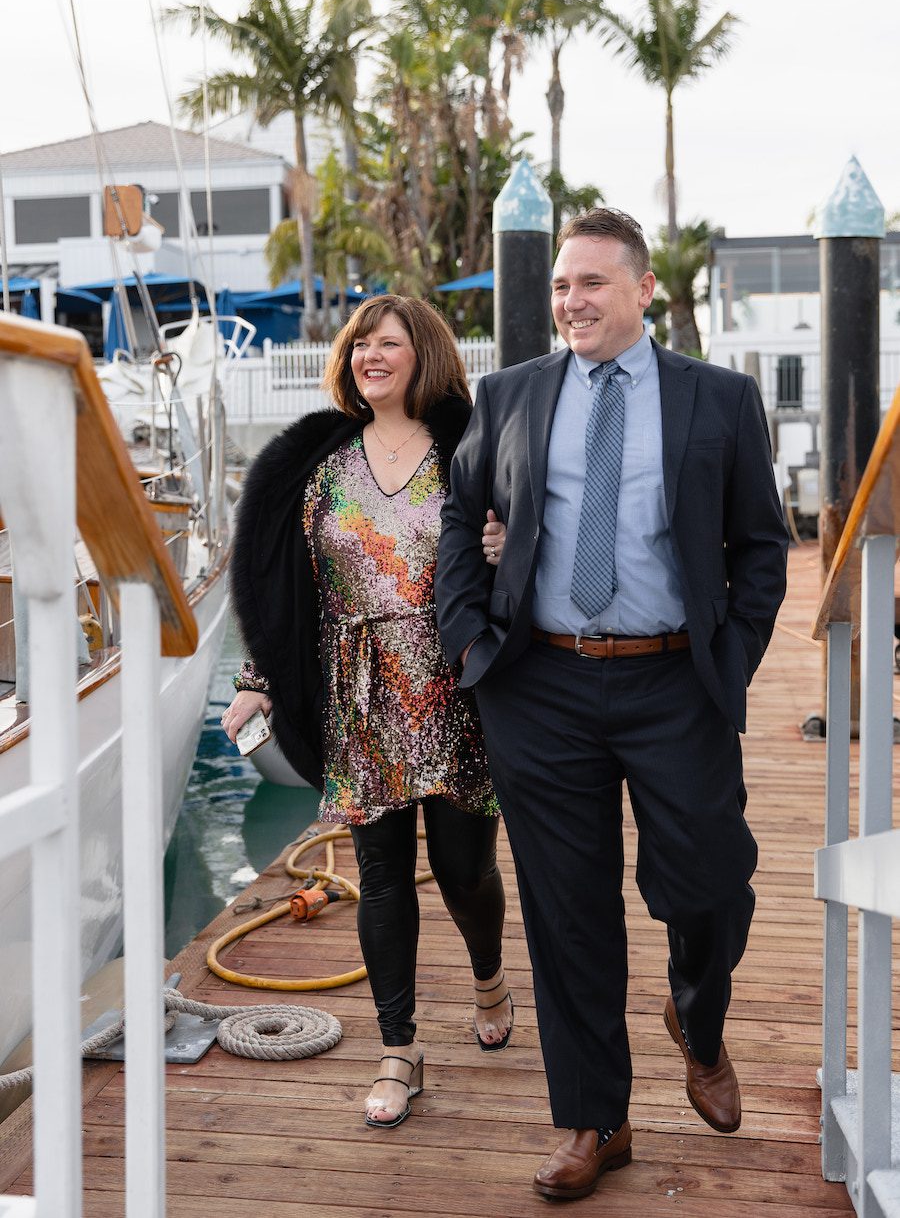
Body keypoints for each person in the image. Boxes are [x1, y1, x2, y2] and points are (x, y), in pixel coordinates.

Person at [435, 208, 789, 1200]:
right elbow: (462, 521)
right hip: (538, 683)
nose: (571, 301)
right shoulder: (509, 393)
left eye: (591, 283)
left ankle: (699, 1015)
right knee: (568, 912)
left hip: (675, 678)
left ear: (642, 291)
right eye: (559, 285)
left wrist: (737, 654)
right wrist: (471, 637)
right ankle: (599, 1118)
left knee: (712, 880)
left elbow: (762, 546)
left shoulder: (719, 398)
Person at [223, 294, 513, 1131]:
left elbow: (527, 544)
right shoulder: (317, 460)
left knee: (464, 870)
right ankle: (399, 1049)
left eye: (388, 344)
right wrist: (259, 676)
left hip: (454, 687)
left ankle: (489, 973)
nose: (370, 357)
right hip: (357, 694)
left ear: (425, 353)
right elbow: (280, 585)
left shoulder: (472, 449)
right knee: (382, 874)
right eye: (359, 346)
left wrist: (506, 546)